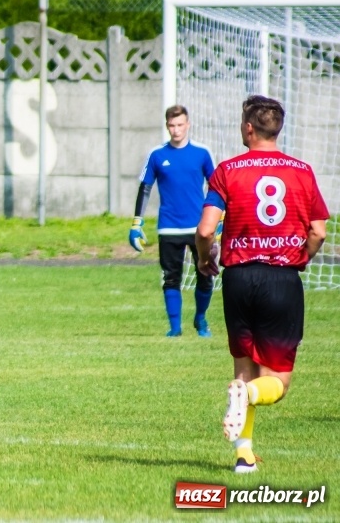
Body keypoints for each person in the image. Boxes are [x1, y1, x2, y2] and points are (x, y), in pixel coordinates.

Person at [195, 95, 328, 473]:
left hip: (238, 277)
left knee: (244, 366)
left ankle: (244, 457)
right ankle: (249, 397)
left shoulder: (228, 170)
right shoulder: (301, 171)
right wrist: (301, 256)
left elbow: (206, 229)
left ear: (249, 128)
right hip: (281, 278)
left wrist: (206, 258)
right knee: (277, 382)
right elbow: (318, 231)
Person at [129, 105, 216, 337]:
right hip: (168, 227)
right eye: (172, 125)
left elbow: (216, 187)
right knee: (171, 278)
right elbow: (145, 188)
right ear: (167, 126)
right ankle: (175, 328)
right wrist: (136, 223)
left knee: (206, 275)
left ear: (188, 125)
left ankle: (200, 319)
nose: (176, 130)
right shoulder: (157, 155)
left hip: (199, 228)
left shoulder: (202, 153)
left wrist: (219, 219)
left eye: (180, 125)